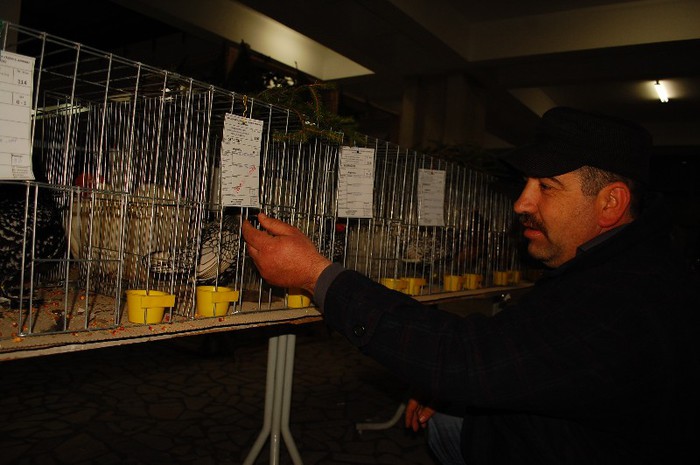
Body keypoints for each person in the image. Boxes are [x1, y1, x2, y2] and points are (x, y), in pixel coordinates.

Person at [242, 107, 698, 464]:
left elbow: (472, 357)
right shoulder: (624, 264)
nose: (522, 202)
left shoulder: (628, 294)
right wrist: (457, 385)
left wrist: (316, 275)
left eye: (547, 186)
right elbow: (513, 346)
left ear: (610, 202)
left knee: (448, 421)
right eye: (525, 183)